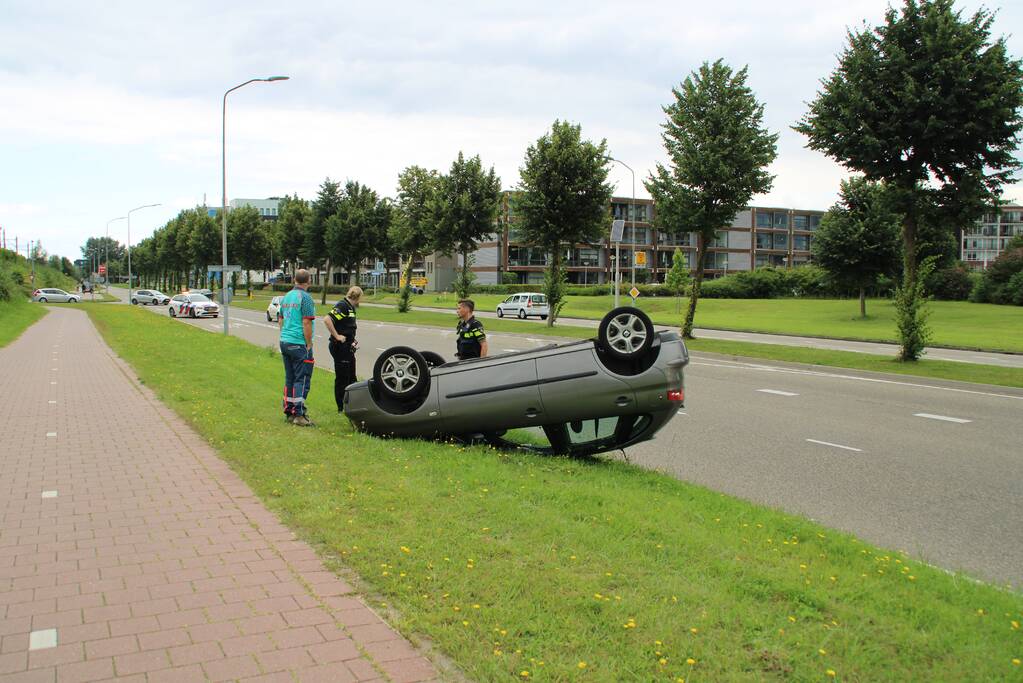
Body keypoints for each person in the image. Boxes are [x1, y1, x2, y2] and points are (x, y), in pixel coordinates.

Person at [278, 269, 316, 426]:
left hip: (285, 341)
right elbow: (306, 322)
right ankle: (299, 414)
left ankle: (289, 409)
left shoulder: (287, 296)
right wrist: (308, 343)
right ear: (309, 281)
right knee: (302, 377)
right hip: (299, 343)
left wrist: (285, 335)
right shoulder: (305, 298)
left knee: (290, 377)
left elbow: (280, 319)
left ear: (294, 280)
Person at [325, 285, 362, 412]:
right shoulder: (343, 305)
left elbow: (347, 326)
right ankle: (341, 407)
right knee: (342, 378)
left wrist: (352, 339)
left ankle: (352, 405)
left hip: (348, 347)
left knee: (351, 377)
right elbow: (327, 319)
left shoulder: (350, 308)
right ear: (357, 297)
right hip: (340, 347)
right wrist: (337, 336)